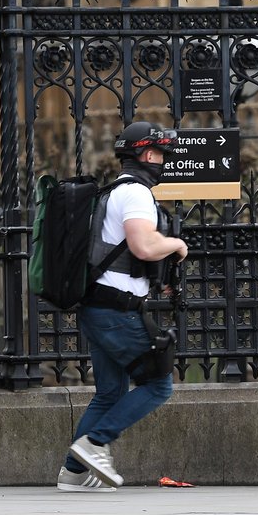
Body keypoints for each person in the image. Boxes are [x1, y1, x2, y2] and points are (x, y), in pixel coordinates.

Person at [57, 121, 188, 493]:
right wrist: (177, 245)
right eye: (160, 154)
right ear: (146, 155)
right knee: (158, 385)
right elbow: (143, 245)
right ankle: (95, 444)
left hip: (98, 306)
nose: (163, 162)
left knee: (110, 393)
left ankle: (74, 474)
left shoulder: (112, 191)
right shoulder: (136, 193)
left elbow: (123, 252)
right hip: (116, 310)